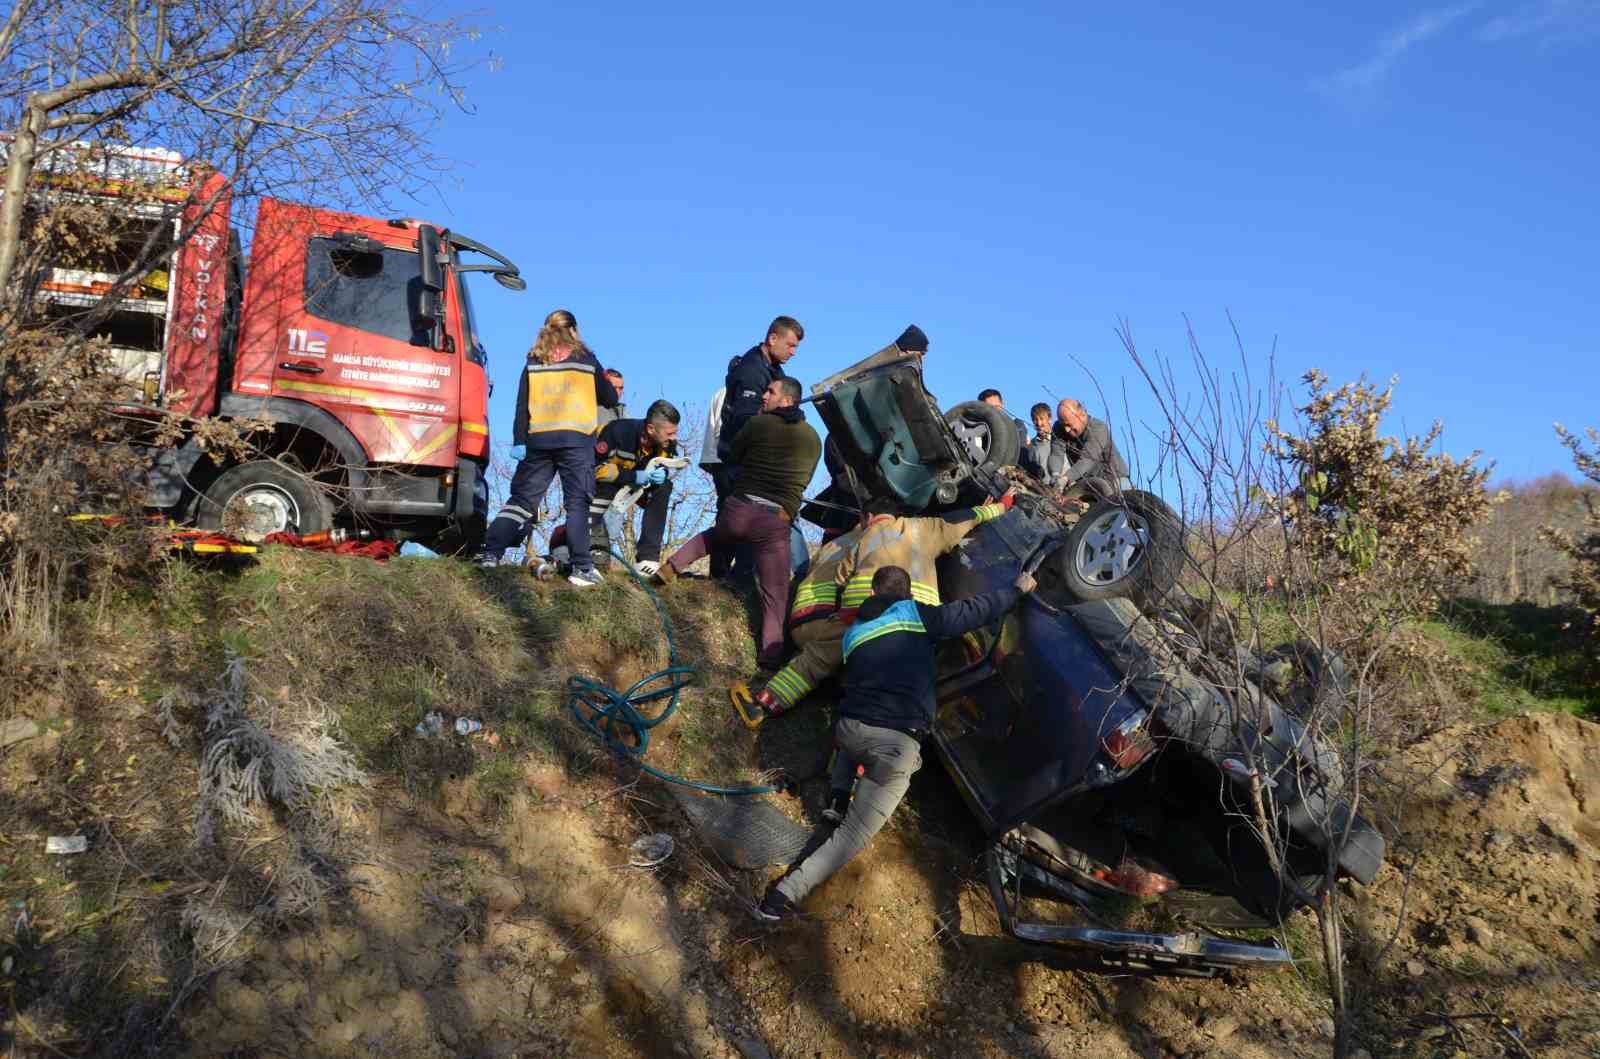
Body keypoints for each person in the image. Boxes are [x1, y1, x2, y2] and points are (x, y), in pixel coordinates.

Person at [755, 564, 1035, 921]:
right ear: (908, 594)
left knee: (855, 725)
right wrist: (1016, 591)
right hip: (894, 746)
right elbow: (972, 612)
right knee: (852, 834)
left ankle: (838, 797)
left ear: (873, 594)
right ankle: (783, 896)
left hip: (850, 731)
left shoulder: (854, 632)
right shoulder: (916, 614)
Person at [755, 490, 1014, 717]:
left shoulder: (862, 537)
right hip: (913, 619)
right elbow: (965, 518)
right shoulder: (924, 528)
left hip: (859, 612)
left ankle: (769, 701)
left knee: (817, 659)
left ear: (868, 517)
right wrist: (1001, 506)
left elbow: (841, 577)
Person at [657, 377, 821, 670]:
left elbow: (732, 454)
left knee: (714, 537)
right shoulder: (812, 438)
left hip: (742, 507)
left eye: (771, 392)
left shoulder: (758, 424)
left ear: (787, 400)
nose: (764, 396)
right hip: (776, 520)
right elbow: (805, 478)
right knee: (775, 594)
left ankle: (669, 569)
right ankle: (770, 655)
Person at [480, 309, 618, 584]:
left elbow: (522, 404)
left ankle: (490, 554)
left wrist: (520, 440)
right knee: (577, 504)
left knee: (521, 501)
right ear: (574, 331)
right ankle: (582, 568)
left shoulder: (534, 360)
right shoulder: (586, 359)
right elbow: (611, 398)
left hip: (539, 441)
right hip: (576, 441)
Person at [709, 316, 803, 581]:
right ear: (772, 339)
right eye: (790, 345)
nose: (793, 352)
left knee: (745, 521)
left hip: (752, 459)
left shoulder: (774, 371)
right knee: (732, 521)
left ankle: (736, 578)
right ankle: (722, 578)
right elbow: (747, 419)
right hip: (737, 459)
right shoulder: (752, 371)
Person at [589, 399, 681, 576]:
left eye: (675, 432)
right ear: (651, 429)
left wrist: (662, 473)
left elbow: (662, 465)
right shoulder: (616, 431)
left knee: (663, 487)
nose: (673, 438)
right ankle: (591, 554)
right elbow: (595, 469)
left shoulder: (667, 443)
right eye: (670, 433)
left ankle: (647, 559)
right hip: (603, 484)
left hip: (637, 488)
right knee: (603, 501)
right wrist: (634, 476)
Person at [1054, 398, 1129, 495]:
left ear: (1082, 414)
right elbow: (1056, 454)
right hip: (1090, 484)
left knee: (1119, 504)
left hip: (1116, 481)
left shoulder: (1098, 429)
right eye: (1063, 425)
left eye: (1069, 425)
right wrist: (1055, 475)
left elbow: (1087, 459)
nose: (1066, 430)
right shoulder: (1059, 428)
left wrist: (1067, 478)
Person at [1021, 401, 1067, 482]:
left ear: (1050, 419)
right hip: (1043, 488)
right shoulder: (1031, 446)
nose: (1039, 423)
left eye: (1041, 419)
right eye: (1035, 420)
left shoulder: (1061, 439)